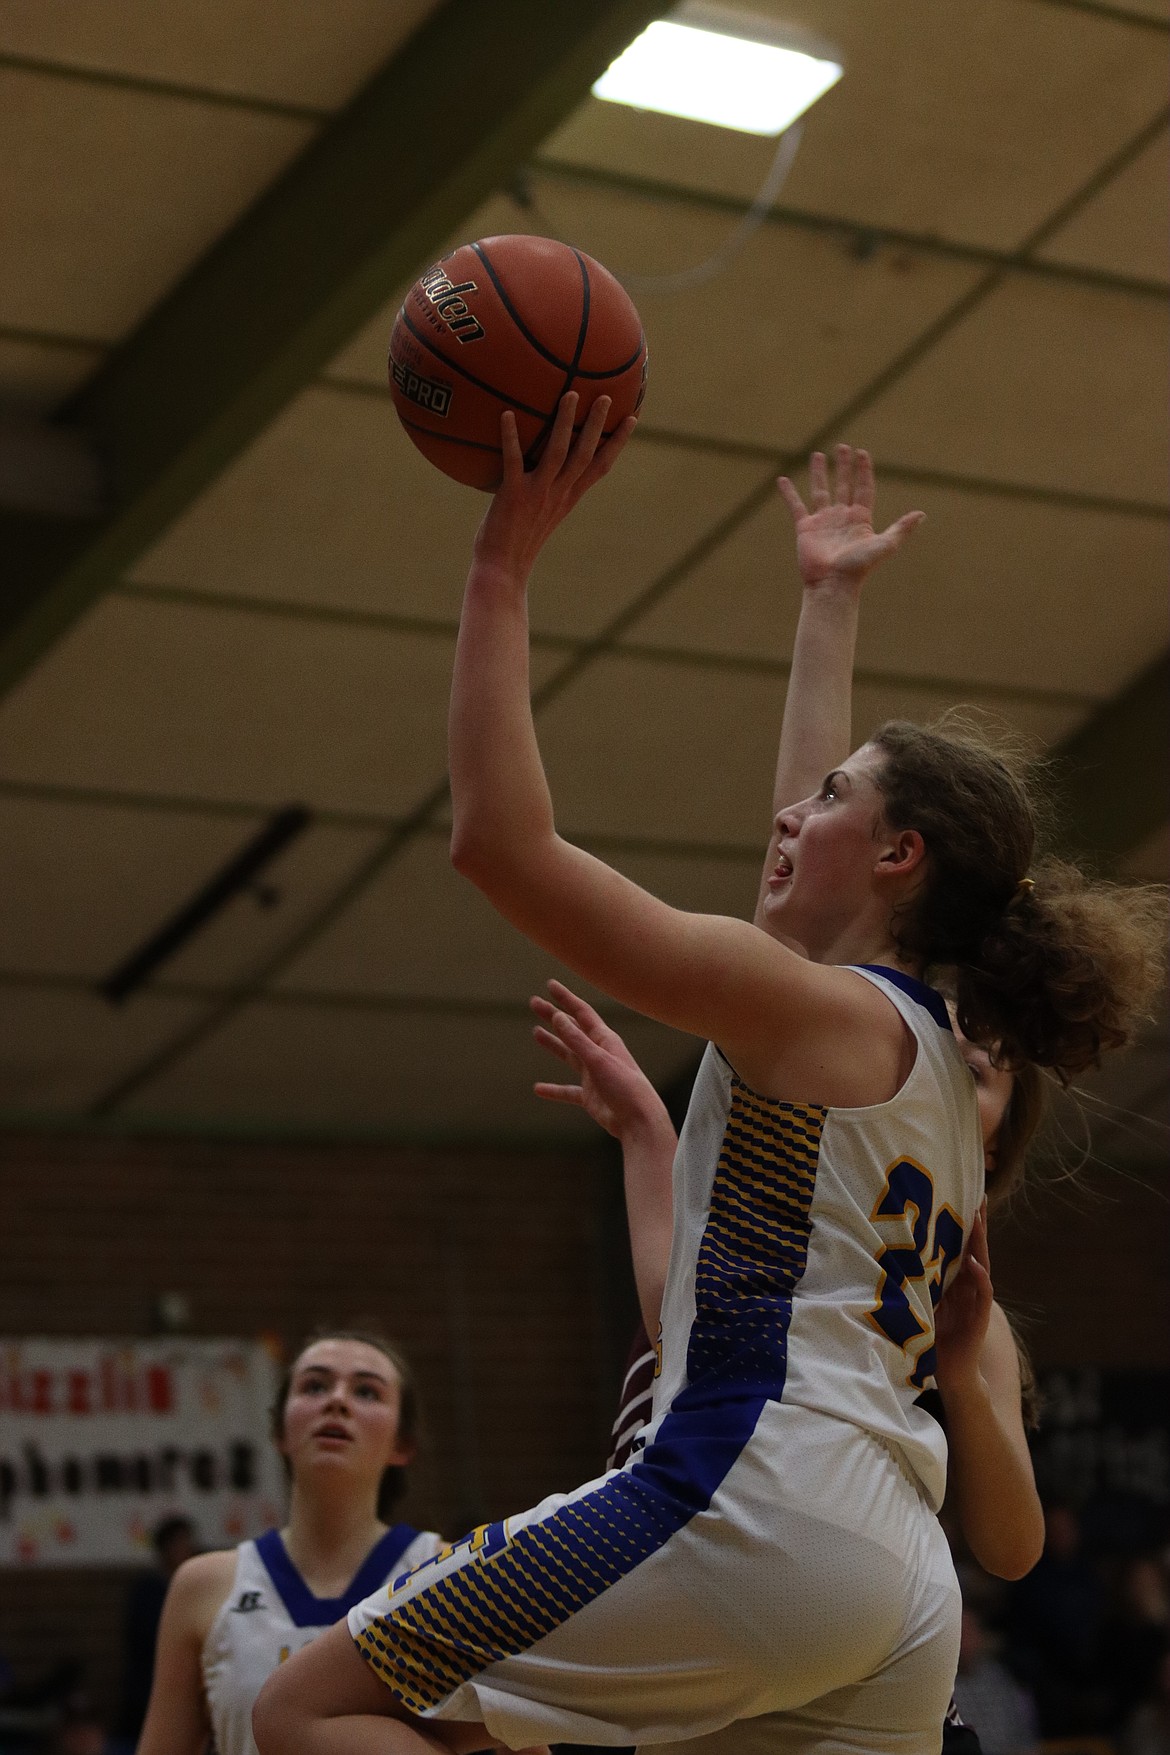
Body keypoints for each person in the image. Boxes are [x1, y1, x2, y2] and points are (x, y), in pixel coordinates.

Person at [254, 405, 1164, 1755]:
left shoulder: (806, 1009)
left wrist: (501, 564)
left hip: (750, 1499)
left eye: (834, 795)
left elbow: (500, 842)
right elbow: (798, 874)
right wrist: (823, 608)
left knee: (305, 1707)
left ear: (900, 852)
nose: (790, 816)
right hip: (898, 1580)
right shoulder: (917, 1065)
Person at [138, 1330, 441, 1755]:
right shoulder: (203, 1585)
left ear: (402, 1443)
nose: (337, 1400)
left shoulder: (447, 1571)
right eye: (315, 1386)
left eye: (367, 1392)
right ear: (279, 1430)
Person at [117, 1513, 198, 1743]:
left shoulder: (195, 1588)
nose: (186, 1549)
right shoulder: (148, 1591)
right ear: (166, 1547)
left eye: (188, 1542)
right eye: (180, 1542)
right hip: (149, 1685)